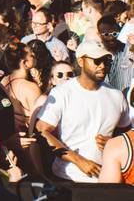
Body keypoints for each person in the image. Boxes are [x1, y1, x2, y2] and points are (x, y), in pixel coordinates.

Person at [36, 39, 133, 181]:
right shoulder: (62, 92)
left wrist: (113, 142)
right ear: (81, 62)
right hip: (68, 178)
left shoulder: (117, 95)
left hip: (106, 179)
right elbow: (41, 131)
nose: (102, 66)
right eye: (96, 61)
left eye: (106, 61)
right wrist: (78, 160)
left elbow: (126, 134)